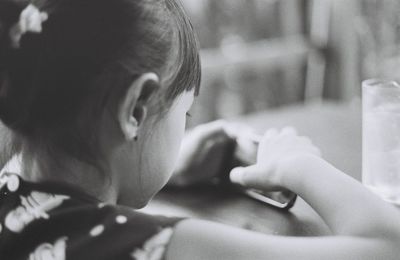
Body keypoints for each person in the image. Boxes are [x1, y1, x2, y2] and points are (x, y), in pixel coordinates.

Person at [0, 0, 399, 259]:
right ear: (135, 110)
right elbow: (387, 245)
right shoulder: (146, 246)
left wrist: (163, 168)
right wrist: (298, 166)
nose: (184, 127)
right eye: (185, 114)